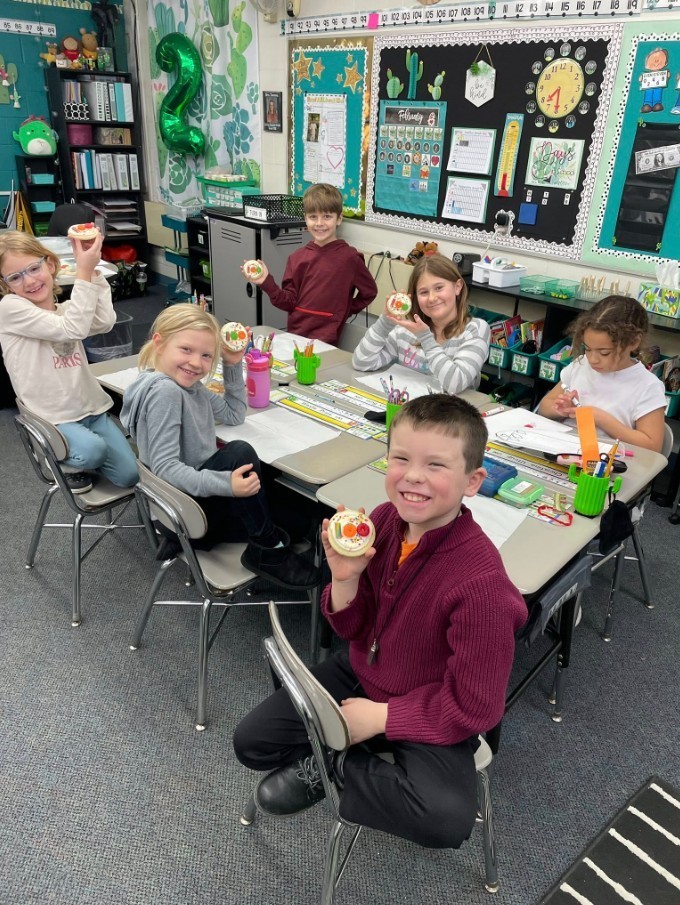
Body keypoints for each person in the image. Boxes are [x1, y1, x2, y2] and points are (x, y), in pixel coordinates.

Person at [233, 394, 526, 849]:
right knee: (252, 743)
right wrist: (345, 580)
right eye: (401, 458)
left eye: (436, 465)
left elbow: (476, 707)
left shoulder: (481, 585)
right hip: (363, 672)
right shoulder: (385, 520)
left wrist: (383, 718)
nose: (413, 476)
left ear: (473, 481)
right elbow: (351, 630)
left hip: (425, 701)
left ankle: (337, 763)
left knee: (444, 819)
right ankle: (342, 746)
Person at [120, 305, 319, 590]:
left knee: (297, 519)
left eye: (206, 356)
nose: (196, 363)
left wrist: (231, 362)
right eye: (186, 350)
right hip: (186, 511)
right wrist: (227, 484)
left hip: (180, 505)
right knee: (242, 455)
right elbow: (165, 468)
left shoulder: (189, 387)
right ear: (159, 343)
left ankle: (266, 542)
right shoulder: (165, 392)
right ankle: (268, 551)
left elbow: (234, 413)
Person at [0, 230, 138, 494]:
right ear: (7, 285)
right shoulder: (10, 308)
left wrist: (94, 272)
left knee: (129, 475)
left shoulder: (63, 312)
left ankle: (84, 450)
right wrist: (82, 273)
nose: (29, 281)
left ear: (50, 265)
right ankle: (60, 459)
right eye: (16, 277)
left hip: (88, 410)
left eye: (33, 268)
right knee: (93, 451)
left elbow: (103, 322)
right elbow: (72, 329)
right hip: (53, 418)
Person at [241, 183, 377, 346]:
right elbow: (287, 302)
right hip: (295, 339)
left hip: (327, 343)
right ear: (305, 218)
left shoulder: (350, 258)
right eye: (313, 217)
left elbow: (369, 292)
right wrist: (265, 281)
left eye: (327, 216)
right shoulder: (296, 258)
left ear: (339, 218)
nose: (319, 223)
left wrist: (344, 310)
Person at [538, 295, 667, 452]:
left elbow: (652, 447)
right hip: (565, 450)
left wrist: (600, 419)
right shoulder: (581, 364)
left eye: (604, 353)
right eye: (588, 349)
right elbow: (544, 406)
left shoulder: (647, 386)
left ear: (633, 342)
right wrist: (560, 409)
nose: (593, 359)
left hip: (608, 464)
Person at [352, 254, 490, 395]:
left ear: (457, 287)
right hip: (410, 408)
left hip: (451, 412)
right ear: (416, 298)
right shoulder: (406, 331)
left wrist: (425, 338)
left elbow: (455, 385)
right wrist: (385, 322)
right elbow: (362, 362)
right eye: (424, 292)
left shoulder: (476, 329)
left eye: (439, 288)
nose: (432, 298)